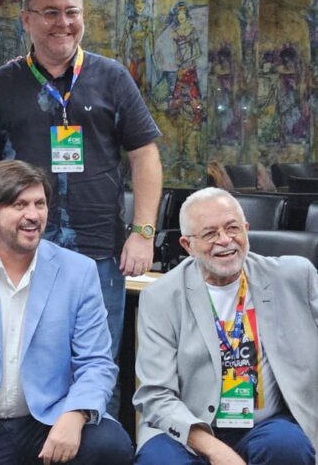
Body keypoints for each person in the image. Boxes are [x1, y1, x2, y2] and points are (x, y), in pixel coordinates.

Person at [0, 0, 163, 414]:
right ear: (26, 20)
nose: (63, 22)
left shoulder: (111, 77)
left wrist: (144, 231)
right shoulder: (2, 85)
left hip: (99, 253)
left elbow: (145, 155)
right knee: (23, 372)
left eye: (72, 12)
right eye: (50, 13)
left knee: (98, 371)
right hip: (22, 253)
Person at [0, 160, 133, 465]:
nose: (33, 215)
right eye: (19, 205)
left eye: (39, 204)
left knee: (111, 446)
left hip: (49, 419)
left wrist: (76, 413)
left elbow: (97, 363)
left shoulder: (78, 272)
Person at [134, 188, 318, 464]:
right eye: (209, 234)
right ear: (187, 245)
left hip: (267, 423)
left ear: (246, 230)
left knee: (287, 445)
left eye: (232, 228)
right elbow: (156, 394)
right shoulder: (160, 297)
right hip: (188, 428)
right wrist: (213, 448)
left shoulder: (293, 276)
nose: (225, 241)